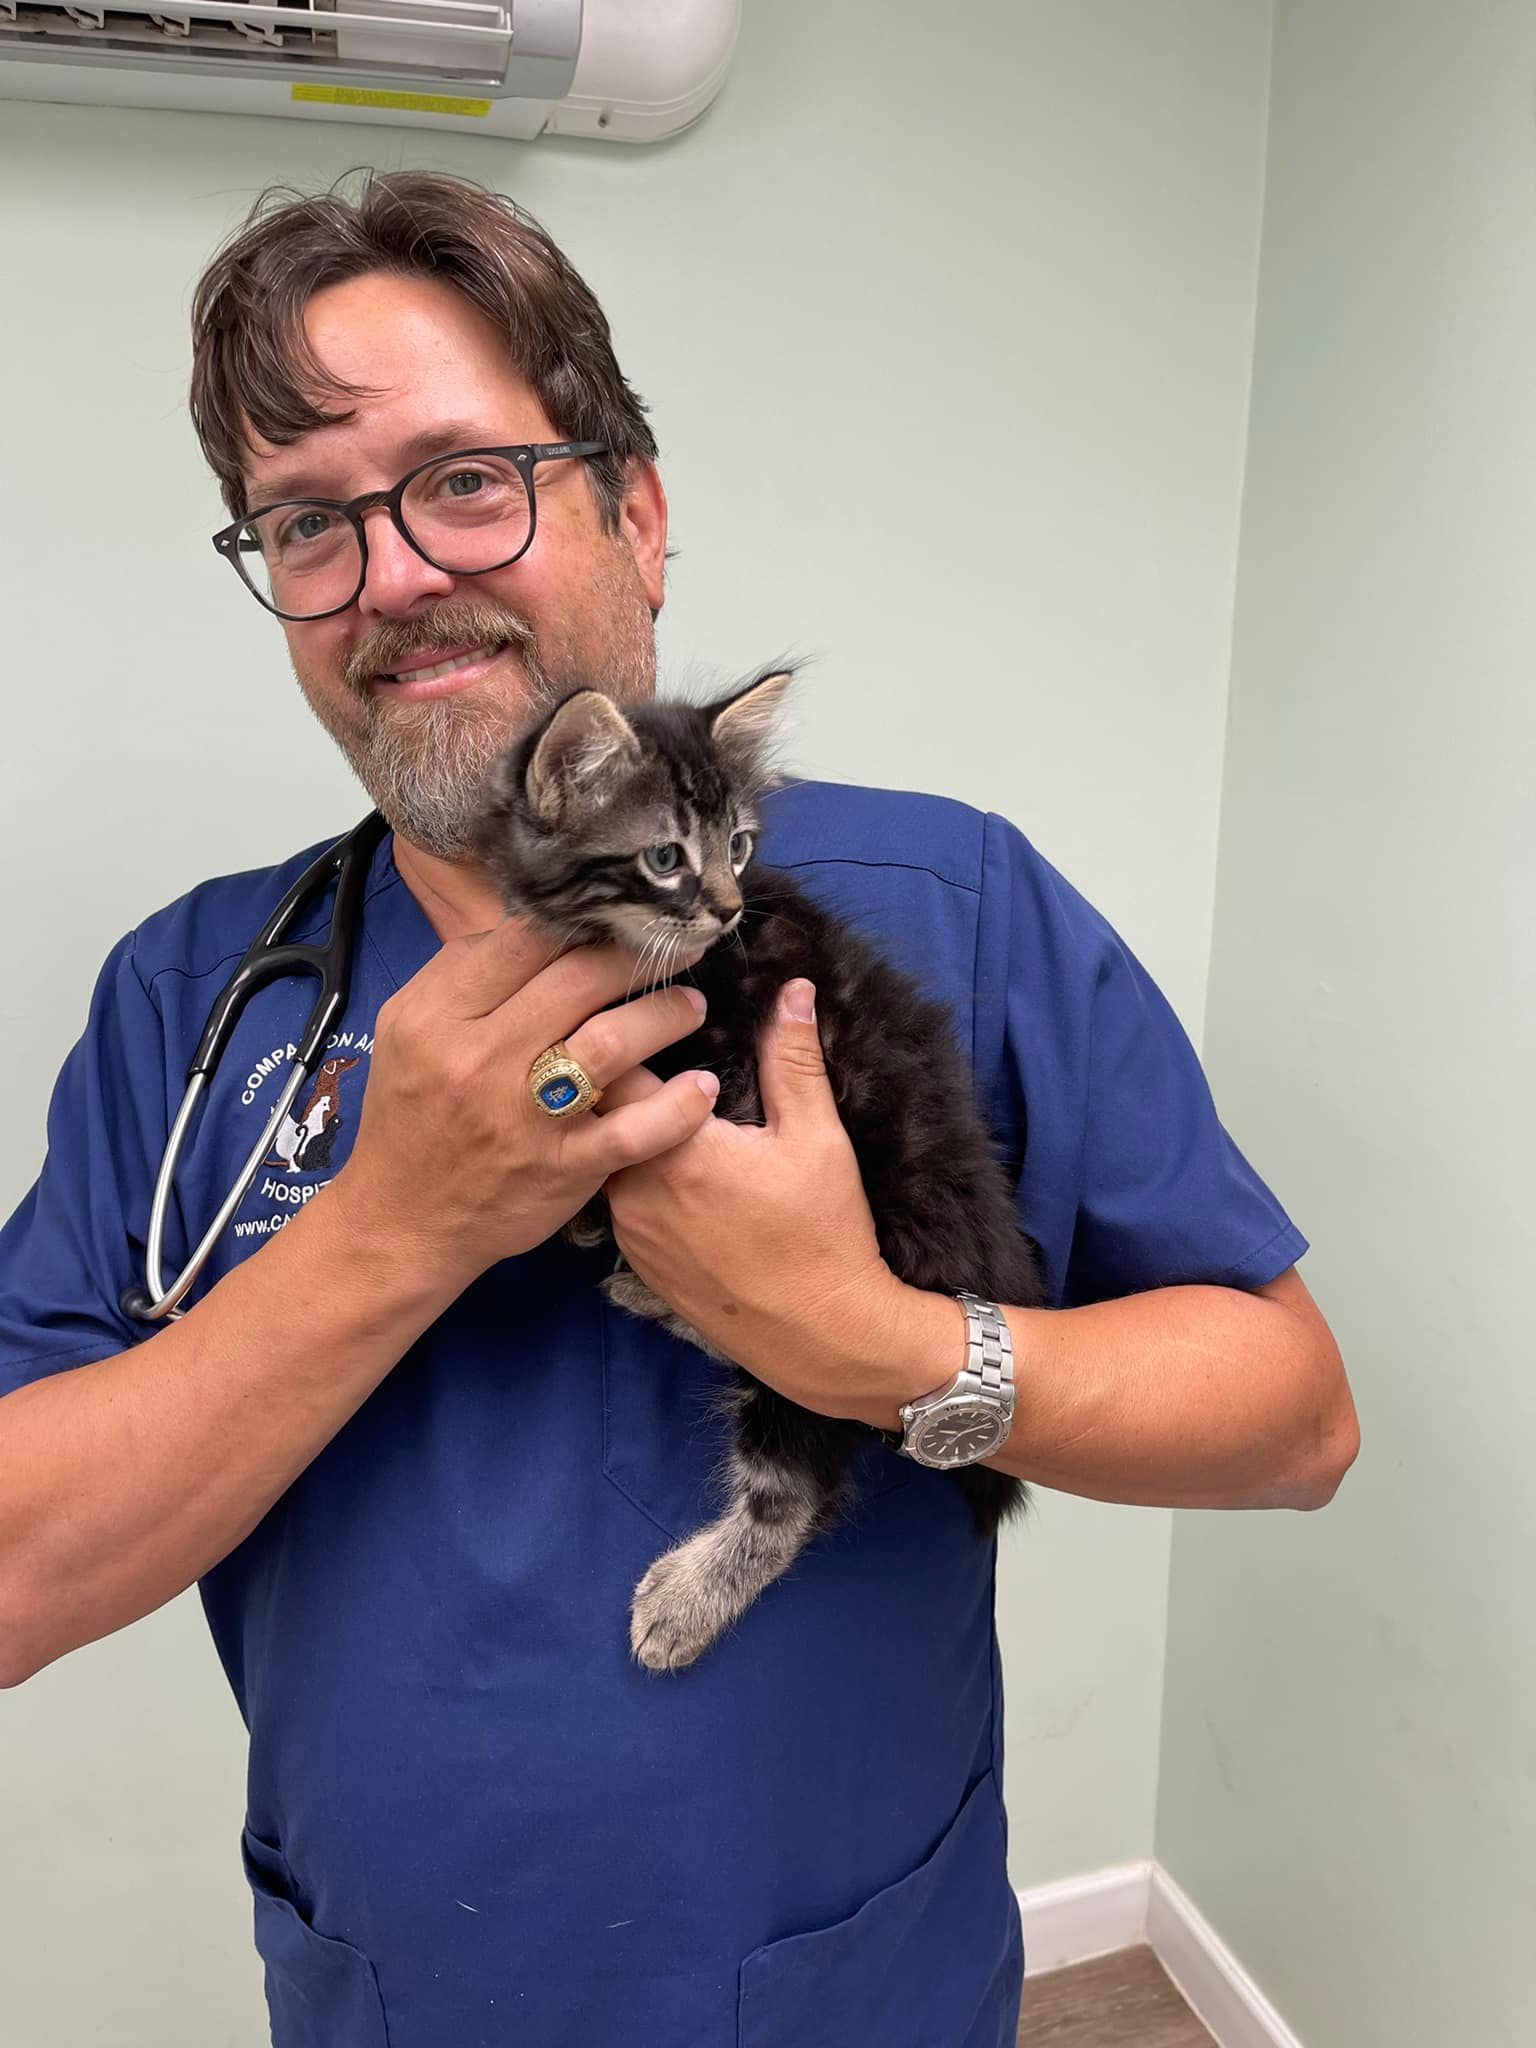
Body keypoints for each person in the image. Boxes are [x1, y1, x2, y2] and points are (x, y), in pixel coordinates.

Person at [0, 169, 1358, 2047]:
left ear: (636, 513)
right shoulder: (188, 1001)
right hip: (392, 1997)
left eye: (469, 479)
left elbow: (1294, 1423)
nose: (394, 573)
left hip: (850, 1986)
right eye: (307, 525)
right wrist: (396, 1230)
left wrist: (877, 1341)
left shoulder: (954, 907)